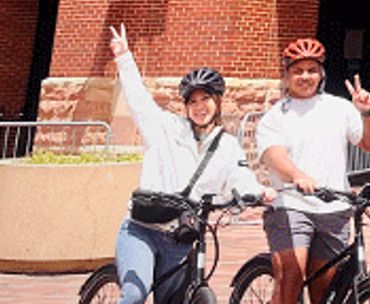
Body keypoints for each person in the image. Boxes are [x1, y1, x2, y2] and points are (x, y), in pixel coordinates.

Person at [108, 25, 267, 304]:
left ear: (217, 102)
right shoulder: (165, 128)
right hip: (142, 229)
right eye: (192, 100)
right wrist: (124, 58)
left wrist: (257, 192)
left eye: (205, 98)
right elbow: (139, 100)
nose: (199, 106)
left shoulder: (227, 145)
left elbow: (240, 175)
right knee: (134, 293)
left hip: (181, 239)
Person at [256, 37, 370, 304]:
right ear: (287, 74)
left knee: (325, 292)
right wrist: (297, 175)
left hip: (334, 209)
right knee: (291, 276)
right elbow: (273, 154)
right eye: (298, 71)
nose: (305, 76)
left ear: (321, 73)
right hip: (291, 206)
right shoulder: (275, 115)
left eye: (312, 70)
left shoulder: (339, 107)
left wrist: (366, 113)